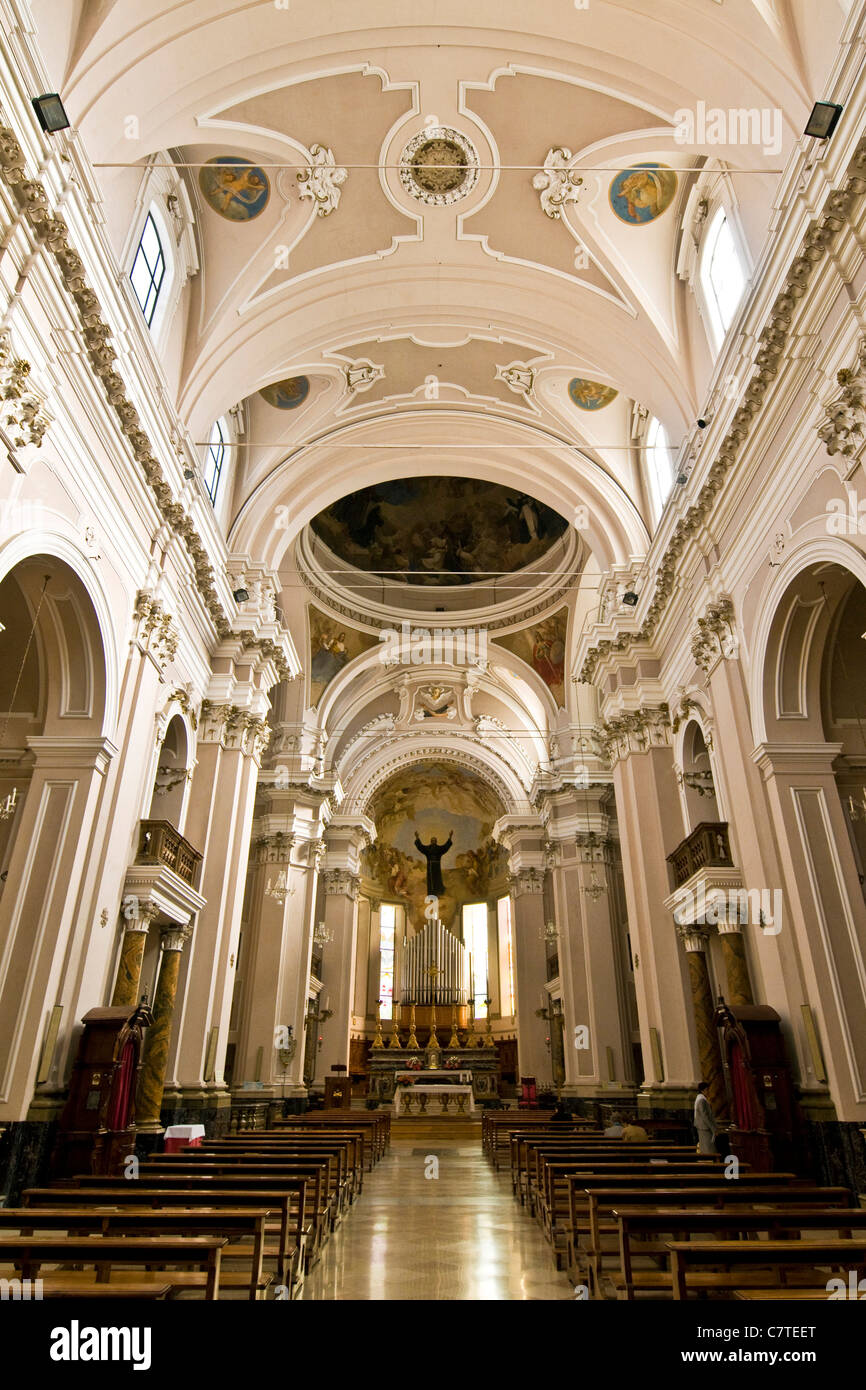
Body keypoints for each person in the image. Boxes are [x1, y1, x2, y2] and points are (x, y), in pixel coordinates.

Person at [694, 1081, 718, 1155]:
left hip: (703, 1127)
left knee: (707, 1147)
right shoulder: (701, 1100)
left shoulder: (700, 1098)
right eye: (707, 1090)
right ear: (703, 1090)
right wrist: (713, 1128)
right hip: (705, 1127)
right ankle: (710, 1164)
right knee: (708, 1149)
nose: (708, 1091)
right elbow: (705, 1116)